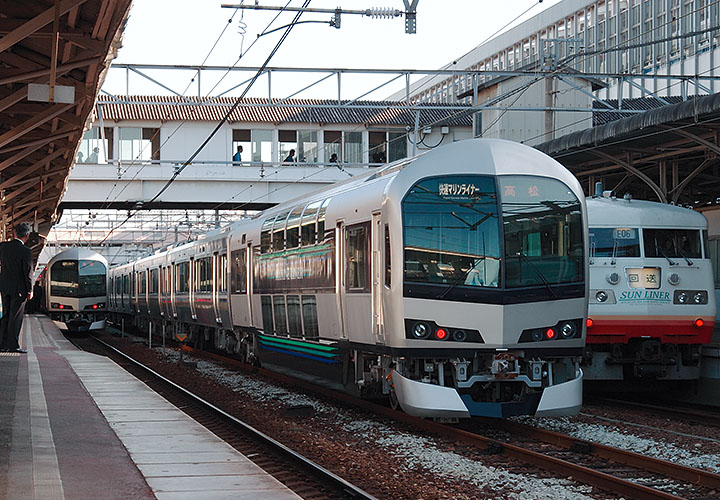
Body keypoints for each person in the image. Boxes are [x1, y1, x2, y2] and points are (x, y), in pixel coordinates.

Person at [0, 222, 33, 353]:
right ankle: (13, 345)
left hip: (4, 287)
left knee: (6, 315)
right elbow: (28, 272)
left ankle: (2, 344)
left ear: (14, 233)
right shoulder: (26, 251)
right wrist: (30, 289)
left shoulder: (3, 247)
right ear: (27, 235)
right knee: (15, 317)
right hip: (19, 289)